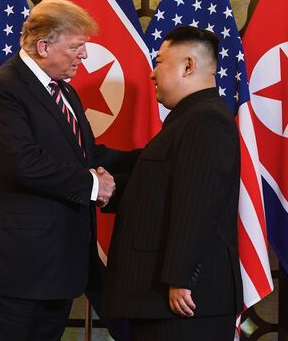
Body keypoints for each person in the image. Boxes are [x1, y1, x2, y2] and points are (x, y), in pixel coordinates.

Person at [0, 0, 138, 341]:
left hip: (56, 269)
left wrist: (155, 156)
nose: (84, 55)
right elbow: (22, 163)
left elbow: (87, 155)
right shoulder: (1, 89)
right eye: (76, 46)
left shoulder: (65, 93)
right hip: (13, 270)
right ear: (43, 46)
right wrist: (91, 185)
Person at [102, 26, 243, 340]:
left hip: (182, 300)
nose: (152, 74)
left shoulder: (205, 120)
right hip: (164, 299)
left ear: (188, 66)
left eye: (160, 62)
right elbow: (161, 190)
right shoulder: (188, 118)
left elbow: (198, 205)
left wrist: (180, 278)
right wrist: (106, 189)